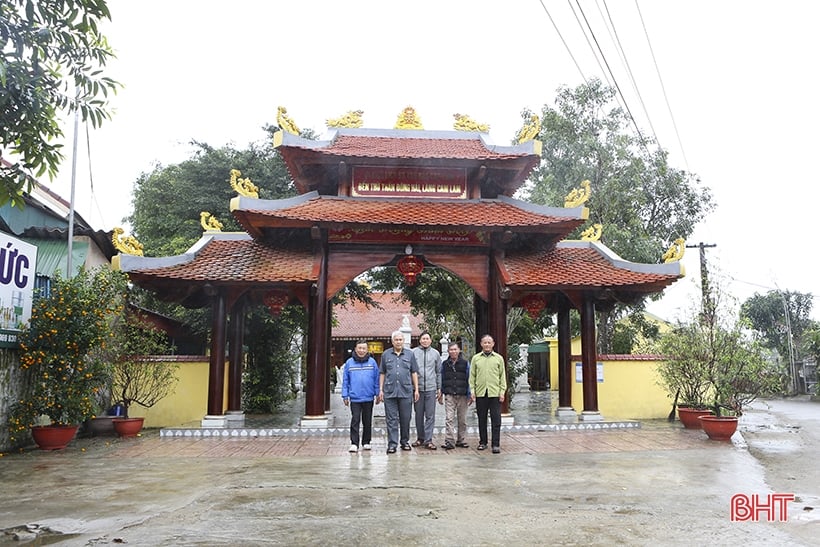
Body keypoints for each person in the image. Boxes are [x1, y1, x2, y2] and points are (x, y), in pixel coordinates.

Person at [379, 330, 419, 454]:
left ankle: (405, 441)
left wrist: (416, 389)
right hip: (390, 392)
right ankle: (392, 444)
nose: (398, 342)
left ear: (404, 341)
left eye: (400, 340)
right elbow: (382, 373)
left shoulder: (410, 355)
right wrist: (380, 389)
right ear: (392, 341)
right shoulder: (386, 355)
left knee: (405, 418)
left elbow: (414, 372)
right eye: (396, 340)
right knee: (391, 419)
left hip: (406, 391)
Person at [469, 334, 507, 454]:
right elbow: (472, 376)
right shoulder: (476, 358)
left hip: (494, 393)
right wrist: (472, 391)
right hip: (481, 393)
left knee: (496, 419)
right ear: (481, 344)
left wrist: (502, 392)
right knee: (482, 419)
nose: (487, 345)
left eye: (489, 342)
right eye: (484, 342)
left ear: (493, 344)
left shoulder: (498, 358)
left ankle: (495, 444)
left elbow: (502, 376)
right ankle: (483, 442)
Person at [341, 340, 380, 453]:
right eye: (359, 348)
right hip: (355, 397)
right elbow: (345, 380)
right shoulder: (349, 363)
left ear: (367, 350)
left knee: (367, 420)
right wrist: (345, 395)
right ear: (355, 349)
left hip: (368, 397)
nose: (361, 350)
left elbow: (376, 379)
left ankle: (366, 442)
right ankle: (354, 443)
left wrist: (377, 393)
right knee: (355, 420)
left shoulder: (372, 363)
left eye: (364, 348)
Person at [438, 341, 471, 450]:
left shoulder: (465, 363)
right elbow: (442, 378)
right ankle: (449, 441)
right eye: (451, 350)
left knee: (462, 419)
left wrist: (470, 394)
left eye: (455, 349)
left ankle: (461, 440)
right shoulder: (445, 364)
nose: (453, 351)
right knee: (449, 419)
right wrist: (441, 393)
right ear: (448, 351)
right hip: (449, 394)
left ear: (459, 350)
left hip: (462, 394)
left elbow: (469, 379)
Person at [411, 331, 441, 450]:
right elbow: (410, 371)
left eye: (427, 338)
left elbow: (438, 372)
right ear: (419, 340)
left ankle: (428, 440)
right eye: (423, 338)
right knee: (418, 415)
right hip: (417, 389)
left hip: (431, 388)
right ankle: (420, 438)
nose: (425, 340)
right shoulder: (413, 353)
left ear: (431, 340)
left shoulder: (435, 354)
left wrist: (439, 387)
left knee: (430, 415)